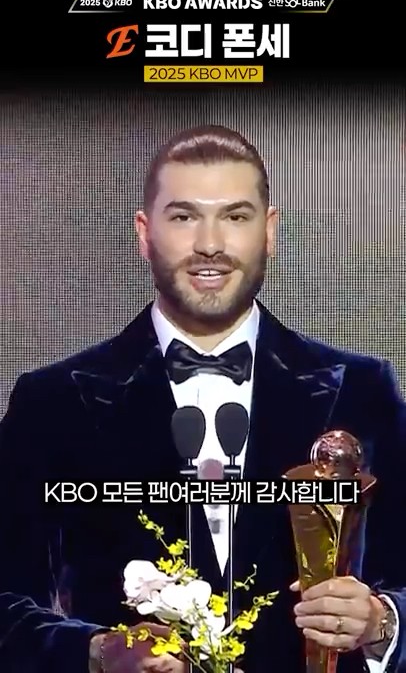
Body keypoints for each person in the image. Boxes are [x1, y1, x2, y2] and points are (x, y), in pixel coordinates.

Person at [0, 124, 405, 673]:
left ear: (269, 231)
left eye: (235, 217)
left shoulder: (363, 390)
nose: (209, 244)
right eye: (184, 217)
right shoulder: (51, 403)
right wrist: (95, 651)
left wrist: (383, 623)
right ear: (144, 233)